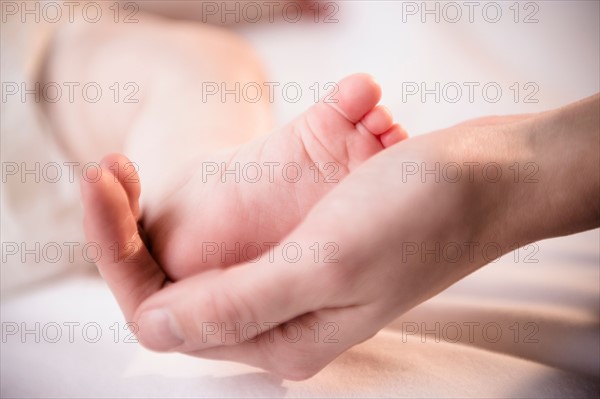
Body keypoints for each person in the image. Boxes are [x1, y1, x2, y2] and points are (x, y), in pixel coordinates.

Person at [41, 5, 598, 381]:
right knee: (189, 68)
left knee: (192, 66)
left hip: (33, 63)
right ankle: (189, 183)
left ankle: (194, 186)